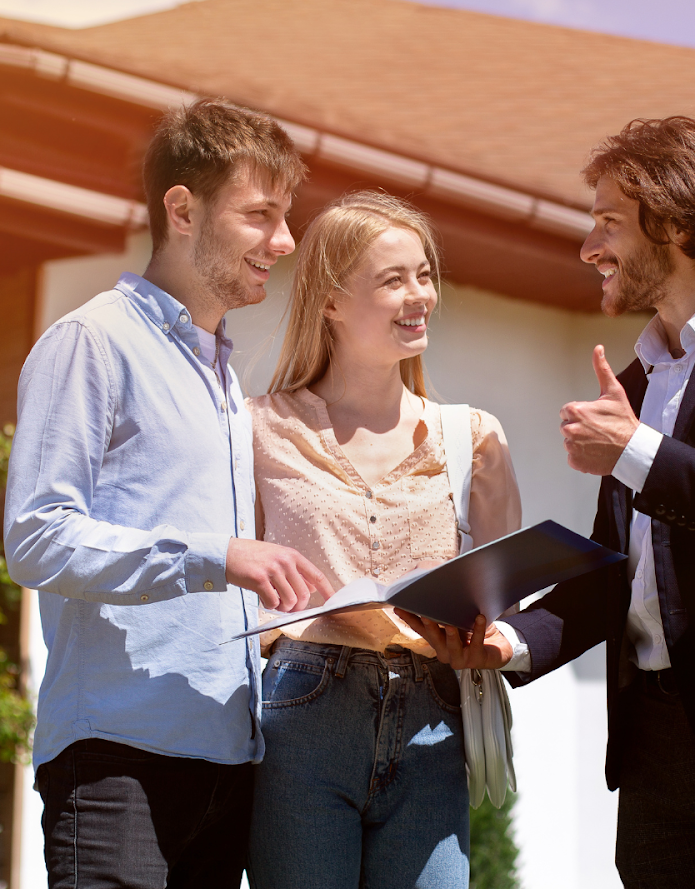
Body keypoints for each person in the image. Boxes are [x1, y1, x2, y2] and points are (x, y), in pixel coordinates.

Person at [403, 116, 695, 888]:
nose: (589, 248)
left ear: (680, 225)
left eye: (607, 224)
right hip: (655, 753)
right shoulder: (631, 385)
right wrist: (512, 641)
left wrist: (636, 453)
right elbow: (615, 572)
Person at [3, 98, 334, 889]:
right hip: (118, 764)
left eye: (285, 217)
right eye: (260, 215)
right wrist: (216, 557)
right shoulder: (93, 341)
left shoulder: (222, 374)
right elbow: (37, 537)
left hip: (227, 766)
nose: (283, 243)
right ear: (181, 210)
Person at [243, 191, 523, 889]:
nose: (418, 295)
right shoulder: (257, 429)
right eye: (393, 280)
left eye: (424, 275)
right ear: (331, 302)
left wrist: (480, 615)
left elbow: (506, 593)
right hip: (303, 711)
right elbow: (231, 589)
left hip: (433, 711)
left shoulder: (474, 439)